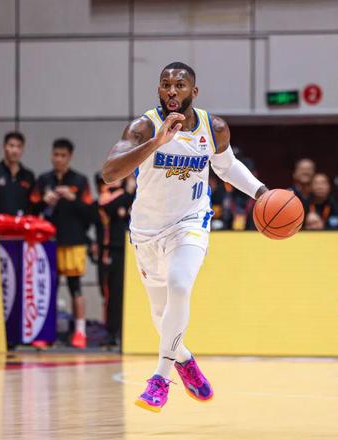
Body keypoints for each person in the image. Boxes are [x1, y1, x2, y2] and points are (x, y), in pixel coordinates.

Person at [102, 62, 268, 412]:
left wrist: (261, 192)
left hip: (190, 223)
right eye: (165, 85)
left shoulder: (213, 128)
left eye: (179, 85)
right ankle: (184, 358)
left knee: (180, 286)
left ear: (194, 91)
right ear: (158, 90)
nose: (172, 91)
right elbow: (109, 173)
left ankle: (160, 378)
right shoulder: (144, 127)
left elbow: (227, 168)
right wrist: (156, 142)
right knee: (160, 314)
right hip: (147, 231)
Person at [35, 138, 94, 349]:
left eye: (63, 155)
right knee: (47, 289)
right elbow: (31, 208)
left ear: (69, 157)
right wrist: (44, 201)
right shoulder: (43, 180)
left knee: (74, 287)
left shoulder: (80, 181)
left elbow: (90, 212)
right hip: (48, 242)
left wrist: (72, 198)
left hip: (73, 242)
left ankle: (80, 332)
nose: (58, 159)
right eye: (56, 155)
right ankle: (45, 332)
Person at [93, 172, 135, 347]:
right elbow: (108, 206)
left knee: (125, 292)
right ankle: (111, 332)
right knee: (110, 293)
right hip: (110, 250)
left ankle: (125, 332)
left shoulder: (131, 195)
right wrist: (128, 193)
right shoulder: (107, 194)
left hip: (129, 249)